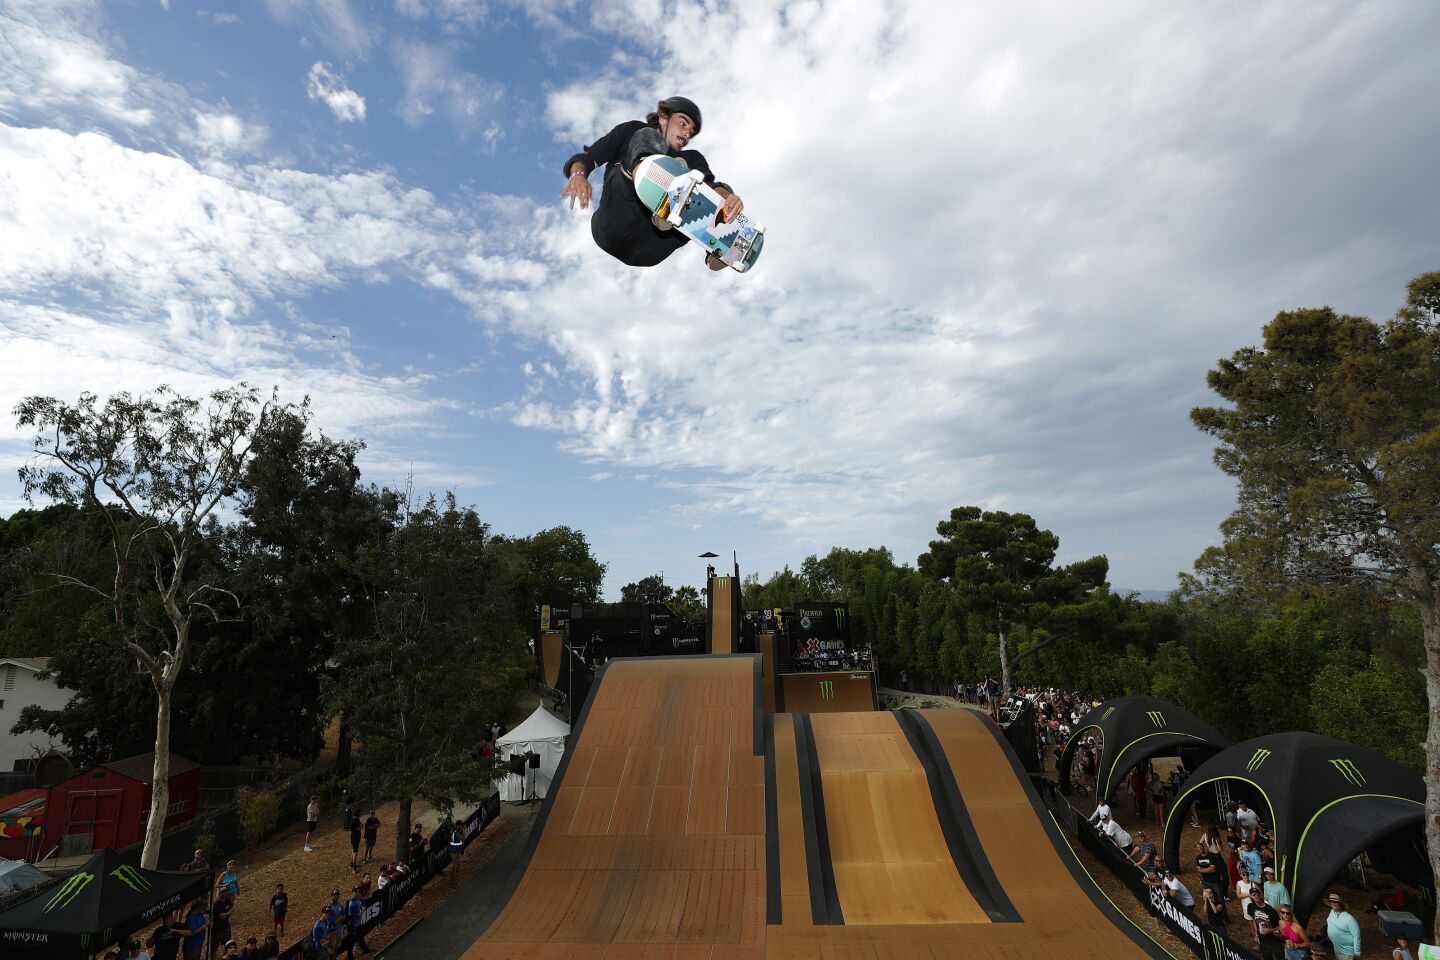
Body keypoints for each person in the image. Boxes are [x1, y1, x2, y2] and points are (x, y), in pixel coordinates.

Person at [560, 97, 745, 270]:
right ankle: (657, 183)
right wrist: (578, 175)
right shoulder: (631, 131)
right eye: (683, 123)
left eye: (691, 131)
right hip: (614, 226)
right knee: (646, 136)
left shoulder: (693, 159)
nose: (687, 133)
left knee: (714, 189)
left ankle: (722, 245)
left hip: (653, 246)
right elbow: (588, 158)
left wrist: (728, 198)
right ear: (663, 117)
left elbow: (711, 189)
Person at [1325, 894, 1362, 960]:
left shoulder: (1349, 919)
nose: (1333, 903)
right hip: (1337, 949)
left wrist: (1357, 953)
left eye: (1335, 901)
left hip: (1347, 952)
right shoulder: (1332, 912)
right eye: (1331, 901)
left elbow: (1356, 936)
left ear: (1340, 904)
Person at [1249, 888, 1283, 960]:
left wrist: (1271, 930)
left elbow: (1281, 926)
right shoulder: (1251, 907)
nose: (1256, 896)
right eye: (1254, 895)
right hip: (1262, 941)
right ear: (1251, 896)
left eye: (1258, 894)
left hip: (1275, 941)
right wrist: (1256, 934)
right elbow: (1254, 920)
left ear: (1261, 896)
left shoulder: (1270, 910)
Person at [344, 885, 373, 957]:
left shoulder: (358, 899)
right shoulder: (352, 904)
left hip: (358, 924)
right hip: (352, 926)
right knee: (351, 942)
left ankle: (365, 950)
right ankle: (350, 957)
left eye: (359, 891)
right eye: (356, 892)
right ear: (353, 892)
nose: (358, 893)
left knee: (361, 937)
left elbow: (363, 901)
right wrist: (363, 909)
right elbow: (359, 915)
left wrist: (368, 897)